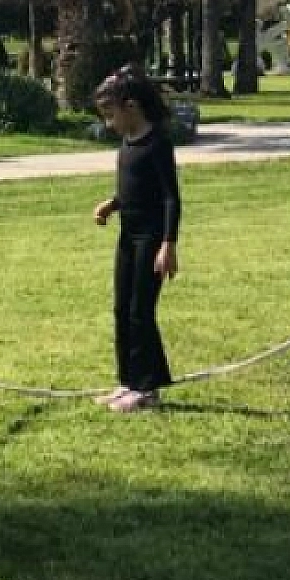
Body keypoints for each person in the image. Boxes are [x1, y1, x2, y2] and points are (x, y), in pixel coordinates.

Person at [90, 64, 179, 413]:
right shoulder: (128, 143)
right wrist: (112, 204)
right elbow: (133, 189)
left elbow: (170, 197)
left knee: (141, 311)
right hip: (128, 237)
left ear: (131, 106)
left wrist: (168, 245)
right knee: (122, 309)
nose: (109, 123)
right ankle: (127, 381)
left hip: (151, 239)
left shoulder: (157, 142)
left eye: (111, 114)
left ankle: (148, 389)